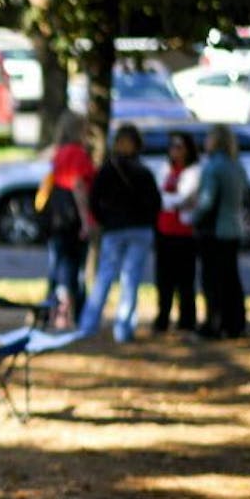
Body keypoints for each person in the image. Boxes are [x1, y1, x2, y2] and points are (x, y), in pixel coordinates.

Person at [74, 123, 161, 342]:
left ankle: (89, 324)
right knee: (129, 279)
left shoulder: (109, 169)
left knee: (106, 276)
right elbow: (155, 203)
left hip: (117, 228)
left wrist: (105, 220)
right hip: (137, 228)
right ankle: (123, 329)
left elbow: (94, 200)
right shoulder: (142, 171)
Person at [191, 124, 248, 339]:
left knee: (212, 281)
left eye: (208, 138)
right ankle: (236, 324)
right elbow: (245, 195)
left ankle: (213, 324)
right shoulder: (237, 166)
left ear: (215, 141)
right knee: (232, 279)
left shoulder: (213, 167)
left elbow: (207, 202)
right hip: (233, 229)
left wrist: (193, 219)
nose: (205, 142)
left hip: (214, 231)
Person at [42, 111, 95, 329]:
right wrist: (86, 221)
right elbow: (78, 187)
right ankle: (67, 316)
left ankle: (51, 313)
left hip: (57, 219)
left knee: (57, 267)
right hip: (72, 220)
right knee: (72, 270)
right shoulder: (77, 154)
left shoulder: (58, 153)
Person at [152, 132, 201, 333]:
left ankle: (187, 320)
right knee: (164, 278)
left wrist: (170, 201)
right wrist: (171, 201)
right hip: (164, 230)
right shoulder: (164, 169)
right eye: (172, 146)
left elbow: (185, 198)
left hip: (185, 233)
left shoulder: (194, 171)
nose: (175, 150)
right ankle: (163, 316)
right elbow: (159, 197)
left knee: (185, 279)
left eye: (180, 146)